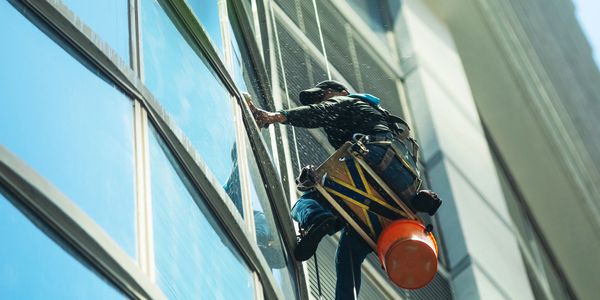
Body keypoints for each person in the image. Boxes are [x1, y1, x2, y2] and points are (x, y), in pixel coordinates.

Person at [245, 80, 440, 299]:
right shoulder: (382, 123)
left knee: (306, 202)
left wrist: (273, 117)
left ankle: (317, 219)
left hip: (375, 158)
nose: (321, 100)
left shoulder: (350, 102)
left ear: (342, 93)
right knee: (348, 253)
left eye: (323, 95)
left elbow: (321, 112)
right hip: (400, 186)